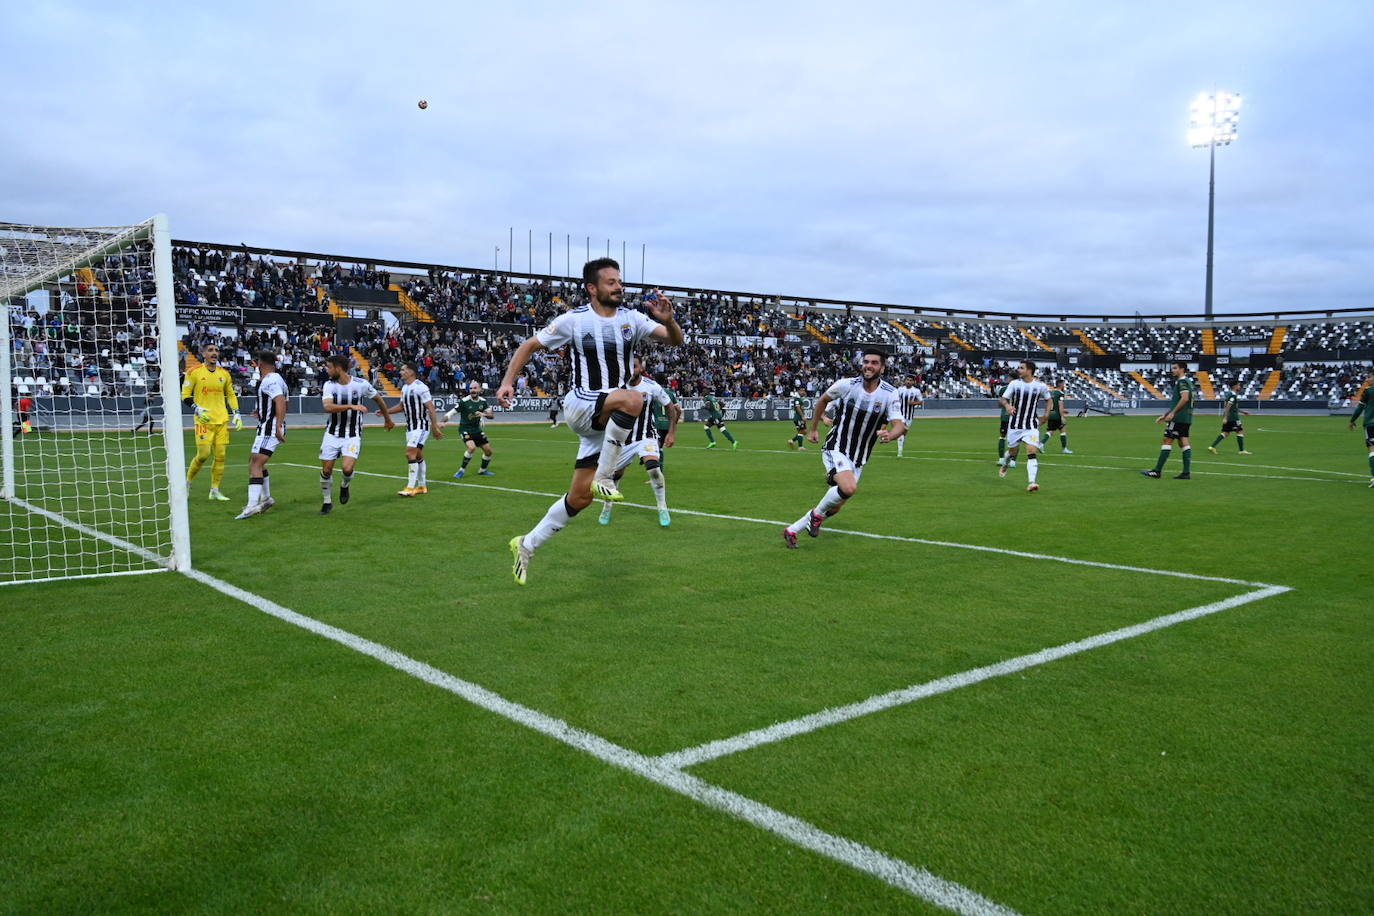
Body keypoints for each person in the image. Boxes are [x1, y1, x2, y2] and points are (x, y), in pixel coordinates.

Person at [497, 258, 683, 585]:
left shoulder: (632, 319)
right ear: (592, 288)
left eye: (620, 281)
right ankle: (607, 479)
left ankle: (526, 543)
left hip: (606, 421)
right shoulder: (574, 320)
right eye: (611, 282)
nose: (619, 287)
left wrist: (670, 322)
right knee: (634, 398)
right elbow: (529, 345)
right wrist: (508, 381)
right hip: (582, 403)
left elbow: (675, 341)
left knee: (580, 497)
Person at [782, 350, 905, 548]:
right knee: (848, 488)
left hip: (859, 457)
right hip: (837, 446)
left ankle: (792, 530)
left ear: (882, 368)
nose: (869, 365)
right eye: (866, 361)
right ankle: (815, 516)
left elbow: (899, 424)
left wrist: (891, 434)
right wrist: (813, 429)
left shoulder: (890, 393)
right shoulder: (847, 385)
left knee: (836, 506)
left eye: (874, 363)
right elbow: (823, 400)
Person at [599, 356, 680, 527]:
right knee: (614, 476)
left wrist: (671, 432)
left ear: (641, 368)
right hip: (622, 439)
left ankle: (662, 506)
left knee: (654, 469)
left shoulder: (651, 386)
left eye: (634, 367)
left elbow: (670, 406)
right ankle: (606, 508)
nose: (631, 370)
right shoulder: (616, 388)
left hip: (646, 436)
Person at [318, 353, 393, 514]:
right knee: (327, 471)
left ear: (339, 368)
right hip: (332, 433)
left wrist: (387, 418)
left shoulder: (361, 384)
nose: (327, 370)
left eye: (329, 367)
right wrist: (351, 407)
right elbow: (328, 407)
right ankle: (327, 501)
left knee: (347, 468)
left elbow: (378, 399)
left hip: (352, 435)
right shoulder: (329, 385)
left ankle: (345, 486)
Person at [182, 343, 242, 501]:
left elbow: (231, 395)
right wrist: (197, 409)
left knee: (221, 455)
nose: (214, 353)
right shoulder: (193, 372)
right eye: (210, 350)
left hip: (221, 421)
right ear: (203, 354)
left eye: (216, 350)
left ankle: (215, 490)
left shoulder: (224, 374)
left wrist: (237, 413)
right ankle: (187, 483)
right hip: (203, 421)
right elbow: (185, 396)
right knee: (203, 455)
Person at [235, 352, 287, 519]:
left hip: (270, 428)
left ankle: (251, 506)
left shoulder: (269, 380)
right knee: (254, 461)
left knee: (256, 464)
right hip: (267, 425)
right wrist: (263, 411)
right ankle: (266, 498)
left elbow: (279, 400)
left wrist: (278, 425)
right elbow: (284, 401)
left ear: (260, 363)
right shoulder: (279, 379)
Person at [386, 362, 442, 496]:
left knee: (409, 453)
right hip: (410, 427)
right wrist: (385, 412)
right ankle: (422, 486)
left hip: (420, 426)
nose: (400, 372)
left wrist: (435, 427)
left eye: (403, 369)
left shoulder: (420, 387)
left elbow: (431, 408)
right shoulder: (405, 388)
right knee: (417, 455)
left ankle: (410, 488)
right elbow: (401, 406)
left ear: (411, 372)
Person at [997, 360, 1050, 492]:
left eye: (1021, 368)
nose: (1018, 370)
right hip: (1015, 425)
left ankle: (1032, 482)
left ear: (1029, 370)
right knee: (1013, 452)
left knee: (1032, 451)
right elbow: (1002, 399)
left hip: (1031, 425)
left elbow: (1048, 399)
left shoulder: (1040, 386)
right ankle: (1006, 463)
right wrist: (1008, 405)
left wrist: (1046, 415)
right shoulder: (1014, 384)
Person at [1142, 361, 1195, 480]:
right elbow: (1184, 401)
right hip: (1186, 418)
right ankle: (1186, 473)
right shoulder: (1189, 382)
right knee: (1183, 442)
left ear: (1182, 369)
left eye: (1175, 368)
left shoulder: (1182, 382)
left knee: (1167, 440)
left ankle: (1157, 471)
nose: (1173, 370)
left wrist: (1173, 413)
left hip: (1178, 418)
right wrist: (1166, 414)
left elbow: (1185, 398)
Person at [446, 381, 496, 478]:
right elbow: (451, 413)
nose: (472, 390)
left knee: (488, 451)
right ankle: (461, 470)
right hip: (465, 429)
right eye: (471, 388)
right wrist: (443, 422)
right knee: (471, 447)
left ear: (480, 390)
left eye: (475, 388)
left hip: (477, 430)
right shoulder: (464, 401)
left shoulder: (483, 402)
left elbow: (491, 415)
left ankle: (482, 470)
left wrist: (484, 414)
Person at [1208, 380, 1252, 455]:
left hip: (1229, 417)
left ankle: (1212, 447)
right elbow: (1228, 406)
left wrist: (1243, 412)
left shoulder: (1229, 394)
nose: (1239, 387)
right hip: (1233, 418)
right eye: (1238, 385)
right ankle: (1241, 451)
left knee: (1226, 433)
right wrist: (1225, 417)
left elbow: (1232, 407)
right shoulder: (1232, 395)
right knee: (1240, 431)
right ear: (1235, 386)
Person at [1347, 366, 1374, 487]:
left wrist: (1352, 420)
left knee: (1372, 450)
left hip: (1371, 423)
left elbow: (1360, 407)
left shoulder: (1368, 391)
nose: (1367, 379)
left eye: (1370, 377)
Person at [1039, 380, 1073, 454]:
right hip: (1057, 416)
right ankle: (1064, 449)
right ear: (1061, 385)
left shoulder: (1051, 393)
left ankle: (1041, 444)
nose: (1064, 386)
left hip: (1051, 414)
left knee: (1051, 431)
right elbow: (1060, 404)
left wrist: (1047, 413)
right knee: (1062, 430)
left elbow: (1050, 404)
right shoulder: (1060, 393)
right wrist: (1062, 417)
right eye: (1064, 384)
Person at [895, 374, 924, 457]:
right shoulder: (900, 390)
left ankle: (901, 444)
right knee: (900, 431)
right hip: (900, 415)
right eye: (907, 380)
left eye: (910, 380)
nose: (908, 382)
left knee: (904, 432)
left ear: (914, 382)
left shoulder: (916, 391)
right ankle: (900, 451)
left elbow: (921, 401)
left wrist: (913, 403)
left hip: (909, 416)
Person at [994, 379, 1015, 467]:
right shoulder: (1020, 388)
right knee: (1015, 439)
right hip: (1015, 417)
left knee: (1002, 436)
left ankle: (1001, 459)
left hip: (1005, 416)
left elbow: (999, 404)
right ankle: (1013, 461)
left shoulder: (1003, 389)